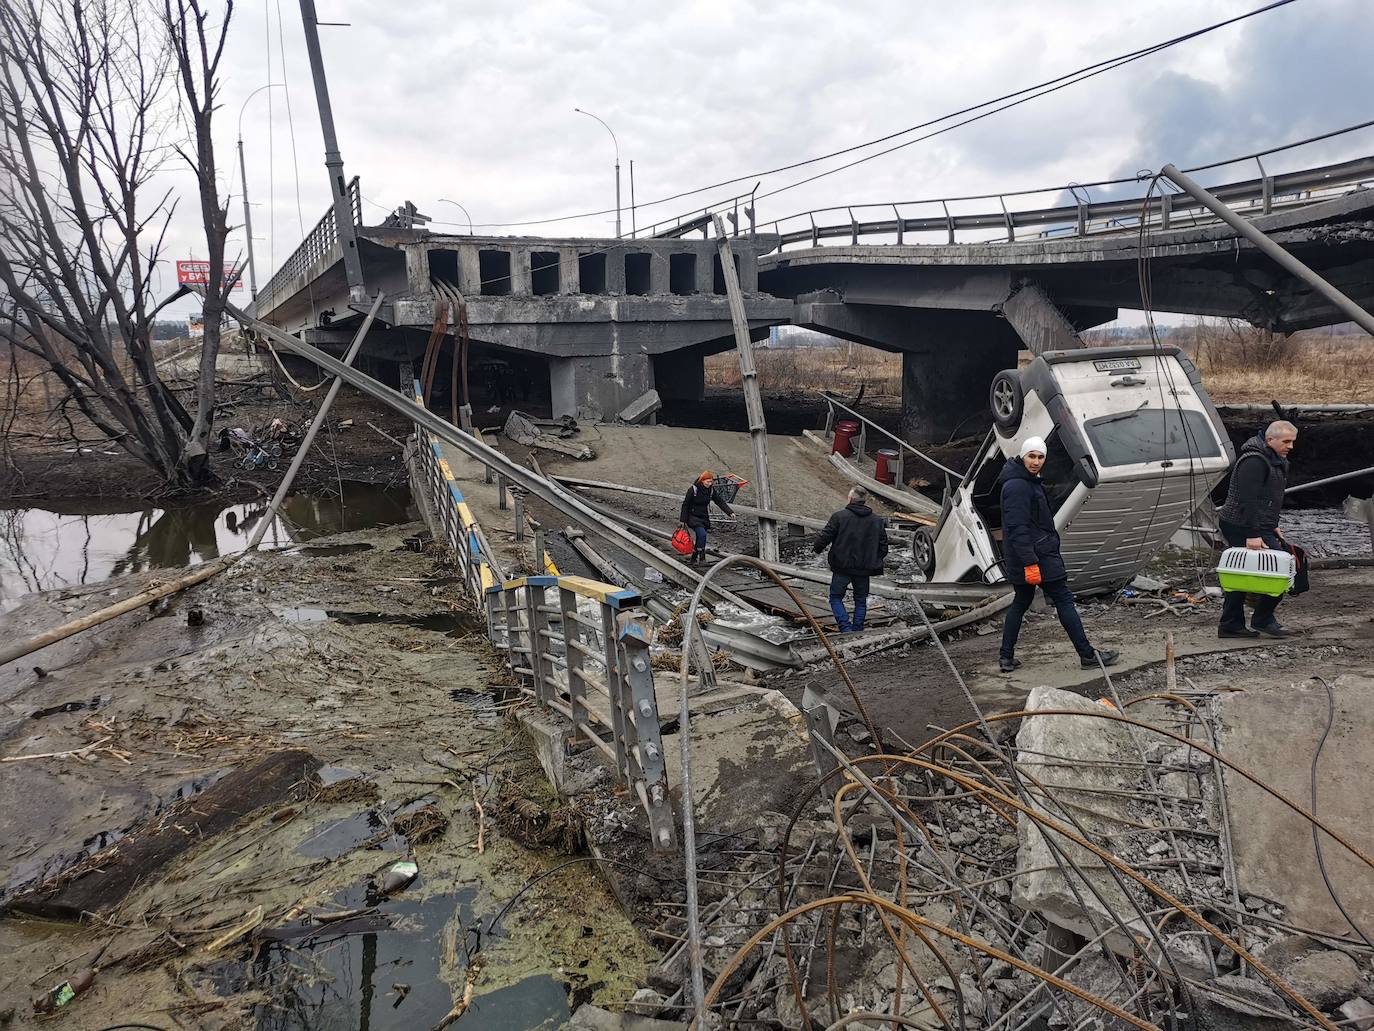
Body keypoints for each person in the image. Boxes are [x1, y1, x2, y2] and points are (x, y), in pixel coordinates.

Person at [998, 436, 1119, 673]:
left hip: (1033, 554)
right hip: (1037, 556)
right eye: (1031, 456)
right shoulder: (1017, 486)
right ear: (1023, 456)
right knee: (1063, 599)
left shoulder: (1026, 481)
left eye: (1040, 457)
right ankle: (1087, 655)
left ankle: (1006, 657)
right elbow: (1017, 528)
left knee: (1021, 602)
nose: (1036, 461)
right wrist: (1030, 563)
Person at [1217, 419, 1299, 638]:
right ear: (1270, 439)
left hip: (1258, 524)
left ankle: (1232, 624)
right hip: (1241, 524)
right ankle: (1261, 619)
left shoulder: (1274, 458)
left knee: (1243, 573)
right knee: (1282, 569)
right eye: (1287, 441)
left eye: (1292, 442)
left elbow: (1269, 497)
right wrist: (1253, 534)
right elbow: (1248, 500)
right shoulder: (1254, 461)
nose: (1290, 446)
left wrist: (1273, 525)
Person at [813, 486, 888, 633]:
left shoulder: (839, 517)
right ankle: (858, 630)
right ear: (864, 501)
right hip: (864, 568)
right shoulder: (877, 521)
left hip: (842, 566)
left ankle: (845, 628)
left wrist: (817, 549)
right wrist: (873, 559)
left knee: (835, 598)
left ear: (850, 499)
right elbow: (884, 546)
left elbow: (825, 536)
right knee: (860, 600)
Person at [679, 471, 734, 565]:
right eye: (708, 482)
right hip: (692, 517)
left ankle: (694, 558)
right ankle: (702, 558)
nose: (710, 484)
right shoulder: (693, 489)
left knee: (701, 537)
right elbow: (685, 505)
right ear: (702, 481)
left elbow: (719, 501)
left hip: (703, 517)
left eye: (711, 481)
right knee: (702, 535)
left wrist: (730, 512)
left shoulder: (711, 490)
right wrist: (683, 520)